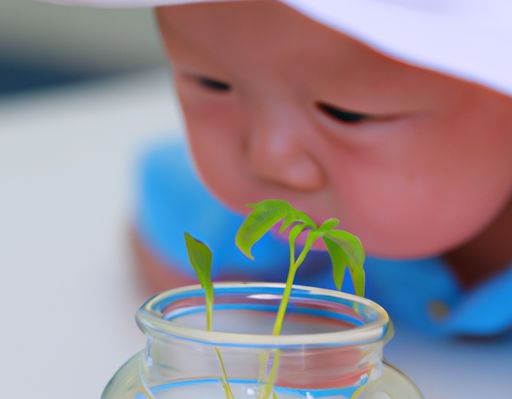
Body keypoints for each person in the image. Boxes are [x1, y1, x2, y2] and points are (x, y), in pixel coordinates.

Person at [44, 0, 512, 337]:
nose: (267, 157)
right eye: (211, 82)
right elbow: (164, 226)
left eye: (346, 114)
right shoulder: (270, 223)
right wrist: (254, 325)